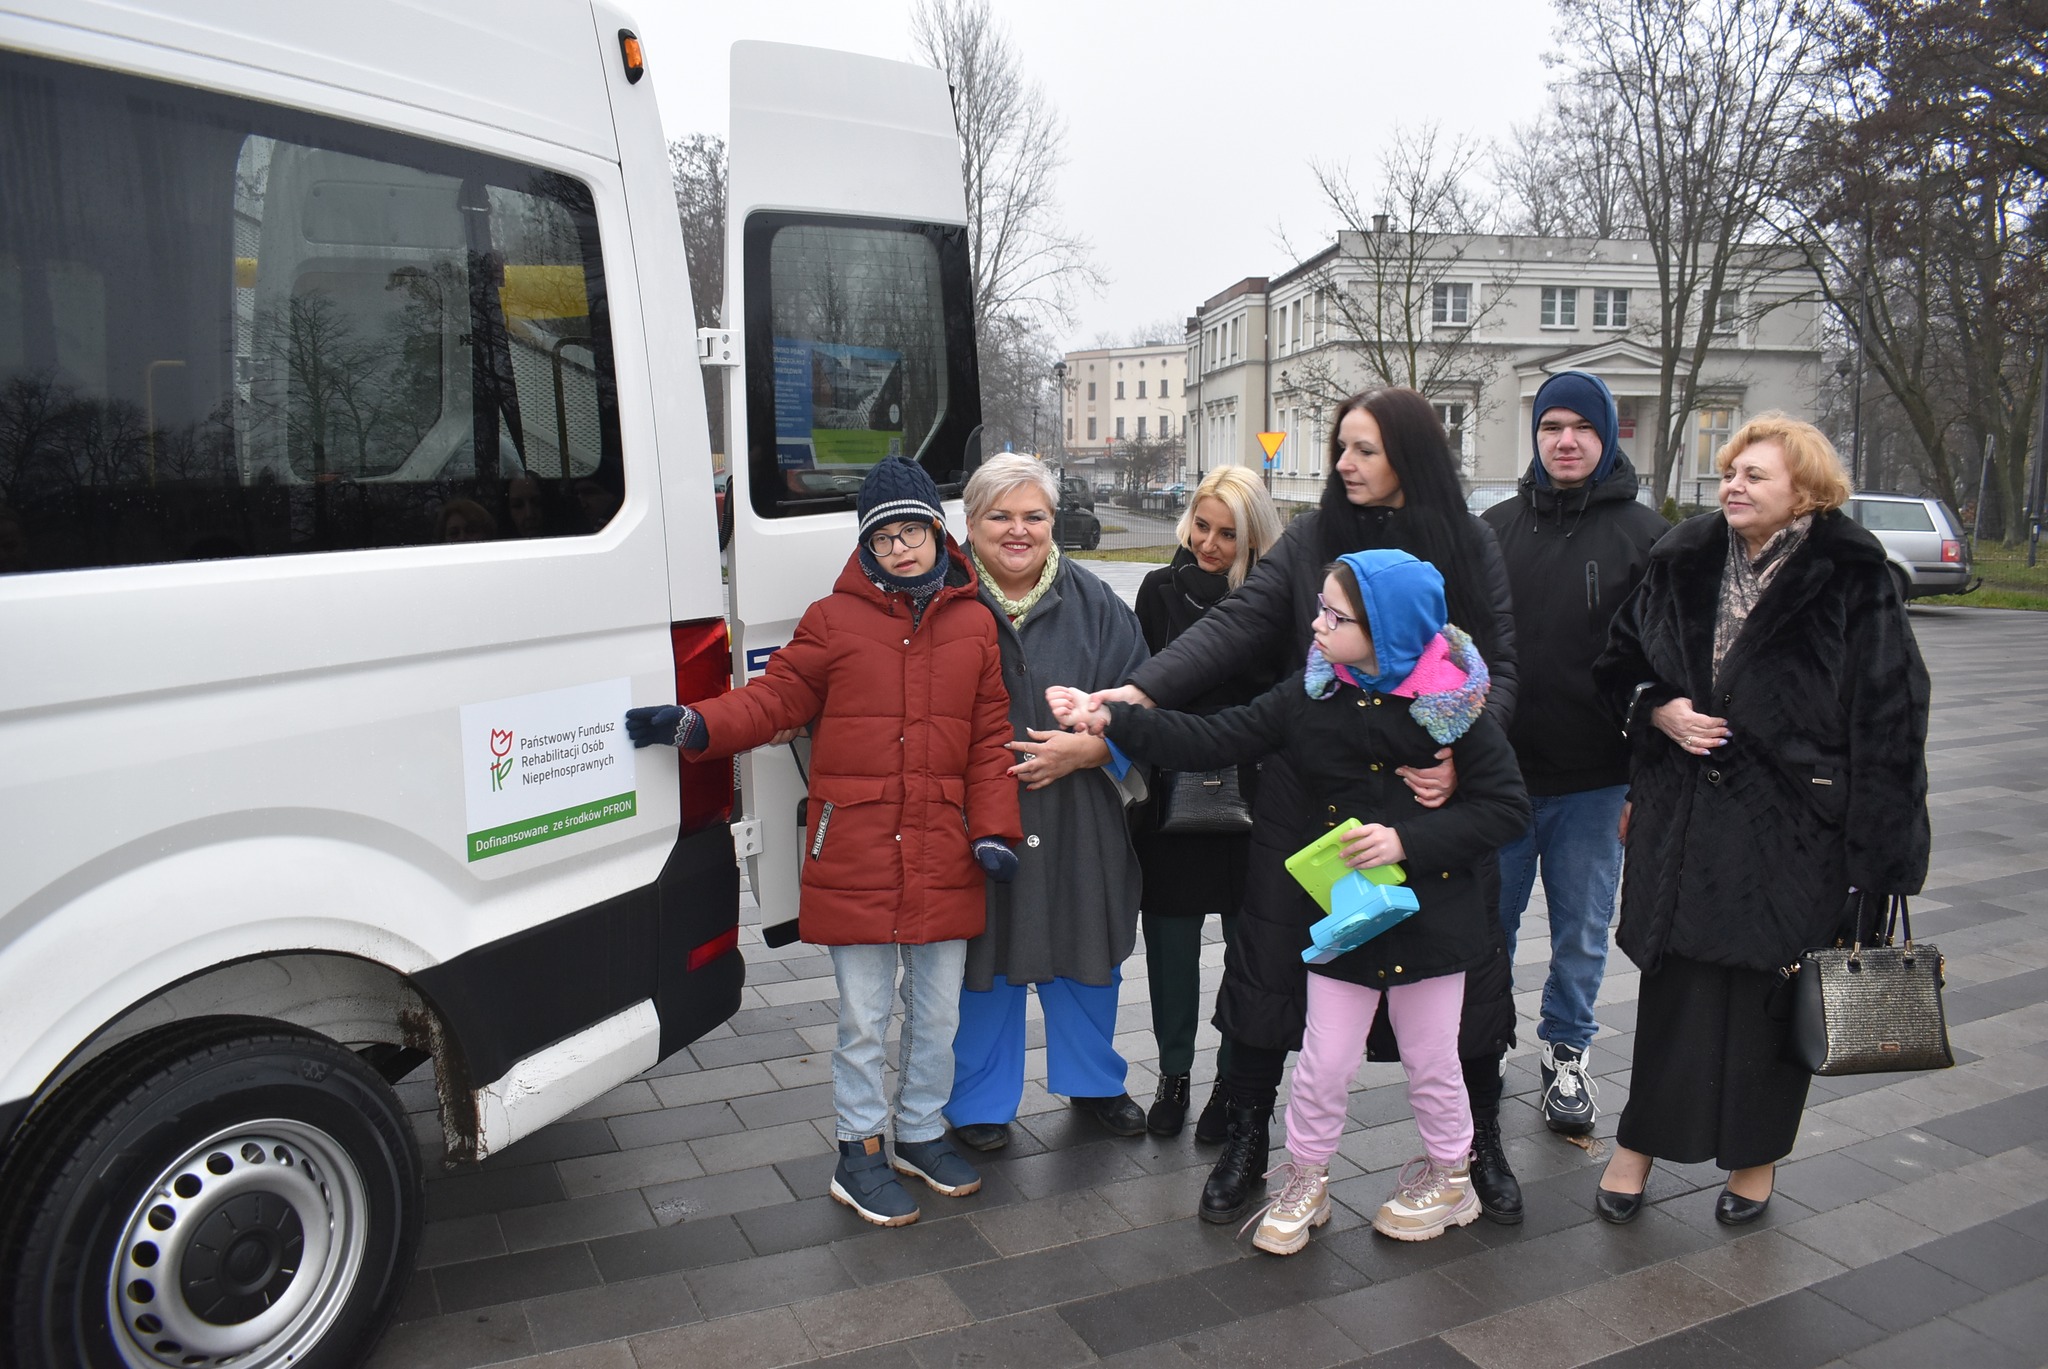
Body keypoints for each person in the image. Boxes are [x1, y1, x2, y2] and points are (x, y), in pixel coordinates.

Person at [1094, 386, 1526, 1226]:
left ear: (1409, 454)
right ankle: (1250, 1141)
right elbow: (1234, 628)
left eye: (1365, 448)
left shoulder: (1467, 540)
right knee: (1268, 970)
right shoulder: (1311, 539)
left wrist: (1457, 755)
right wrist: (1139, 691)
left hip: (1423, 804)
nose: (1344, 463)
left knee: (1460, 984)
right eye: (1341, 446)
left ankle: (1476, 1148)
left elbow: (1499, 663)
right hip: (1309, 798)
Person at [622, 456, 1023, 1227]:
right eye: (883, 537)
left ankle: (920, 1131)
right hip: (858, 851)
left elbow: (990, 739)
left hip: (944, 852)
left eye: (911, 533)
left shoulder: (975, 623)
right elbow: (776, 698)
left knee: (938, 1014)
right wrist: (699, 723)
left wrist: (997, 829)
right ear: (865, 545)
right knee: (863, 1020)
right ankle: (858, 1150)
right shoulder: (832, 620)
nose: (900, 549)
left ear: (939, 533)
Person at [1590, 414, 1930, 1227]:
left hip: (1796, 832)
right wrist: (1658, 709)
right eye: (1730, 472)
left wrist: (1880, 864)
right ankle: (1636, 1147)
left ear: (1804, 490)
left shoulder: (1854, 573)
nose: (1733, 485)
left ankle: (1755, 1162)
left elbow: (1891, 718)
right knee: (1674, 996)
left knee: (1772, 1004)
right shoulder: (1682, 556)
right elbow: (1615, 664)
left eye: (1755, 474)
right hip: (1683, 826)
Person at [1481, 371, 1671, 1138]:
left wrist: (1644, 783)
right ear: (1536, 435)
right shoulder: (1493, 530)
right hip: (1498, 779)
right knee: (1486, 924)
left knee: (1581, 931)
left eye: (1583, 427)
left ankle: (1567, 1052)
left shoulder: (1649, 538)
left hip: (1597, 781)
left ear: (1608, 436)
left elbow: (1666, 668)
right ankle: (1484, 1040)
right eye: (1552, 426)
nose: (1566, 440)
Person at [944, 454, 1152, 1151]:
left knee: (1087, 942)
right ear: (970, 521)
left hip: (1080, 818)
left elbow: (1146, 708)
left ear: (1053, 521)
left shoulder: (1098, 604)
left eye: (1033, 516)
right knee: (983, 957)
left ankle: (1095, 1083)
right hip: (976, 821)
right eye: (1000, 516)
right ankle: (978, 1099)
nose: (1018, 530)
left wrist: (1093, 751)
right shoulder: (942, 600)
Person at [1130, 466, 1285, 1137]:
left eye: (1228, 533)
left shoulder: (1275, 598)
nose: (1210, 544)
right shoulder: (1157, 590)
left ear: (1253, 537)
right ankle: (1173, 1074)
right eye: (1202, 526)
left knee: (1248, 952)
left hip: (1255, 797)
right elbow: (1141, 684)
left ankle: (1230, 1081)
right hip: (1171, 799)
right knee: (1170, 946)